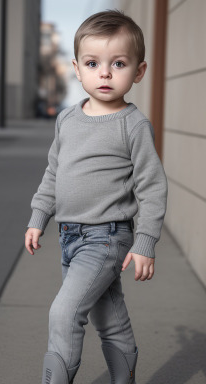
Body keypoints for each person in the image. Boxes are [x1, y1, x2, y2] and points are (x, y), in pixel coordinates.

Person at [25, 9, 168, 384]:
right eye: (93, 63)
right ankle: (126, 376)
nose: (104, 73)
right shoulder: (67, 119)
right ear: (77, 68)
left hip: (107, 237)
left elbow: (152, 186)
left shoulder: (133, 125)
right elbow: (54, 172)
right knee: (108, 313)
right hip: (70, 236)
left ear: (138, 71)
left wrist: (146, 242)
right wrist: (39, 217)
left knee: (64, 312)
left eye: (118, 63)